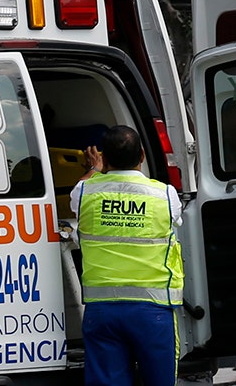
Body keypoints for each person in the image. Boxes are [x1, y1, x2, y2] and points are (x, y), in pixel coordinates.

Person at [73, 125, 185, 386]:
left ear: (105, 158)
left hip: (102, 312)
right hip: (153, 311)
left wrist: (93, 168)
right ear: (143, 156)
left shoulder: (85, 192)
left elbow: (79, 187)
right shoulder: (165, 195)